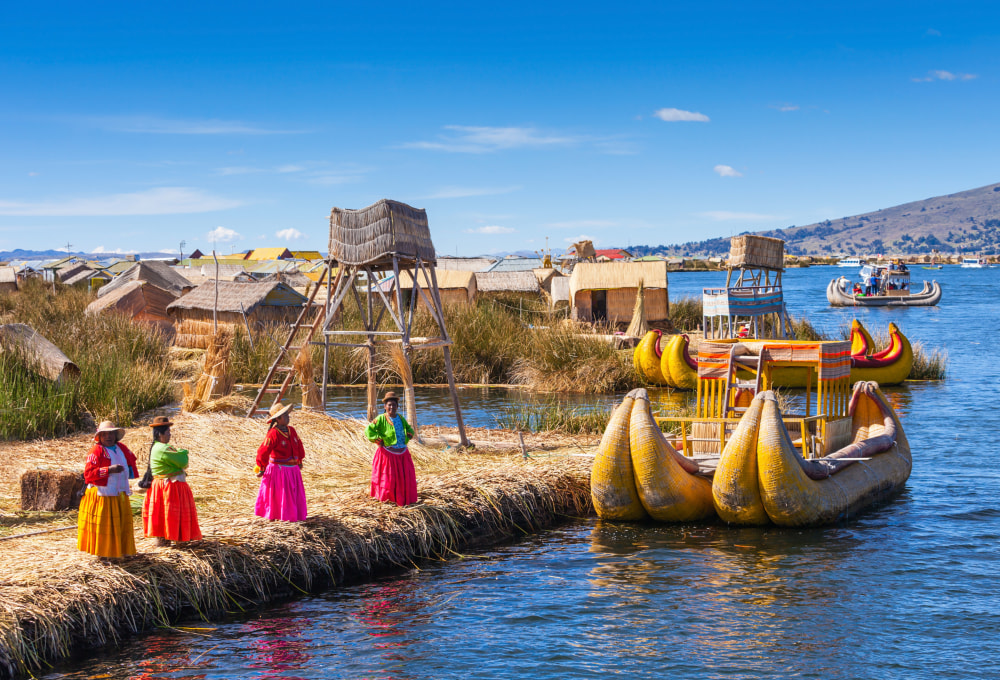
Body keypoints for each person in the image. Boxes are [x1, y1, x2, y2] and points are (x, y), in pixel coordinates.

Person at [78, 421, 139, 559]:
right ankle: (104, 554)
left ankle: (119, 551)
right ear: (99, 437)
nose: (108, 437)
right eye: (104, 434)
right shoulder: (96, 451)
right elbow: (88, 474)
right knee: (105, 526)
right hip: (102, 494)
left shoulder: (121, 448)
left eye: (111, 434)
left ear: (116, 435)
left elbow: (131, 461)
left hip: (119, 492)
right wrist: (108, 470)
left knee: (119, 524)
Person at [142, 415, 202, 546]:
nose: (170, 434)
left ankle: (169, 540)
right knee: (170, 515)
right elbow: (183, 461)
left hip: (167, 485)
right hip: (168, 487)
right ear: (160, 433)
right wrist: (182, 452)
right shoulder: (163, 449)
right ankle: (171, 540)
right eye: (168, 432)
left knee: (167, 515)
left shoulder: (160, 447)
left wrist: (178, 453)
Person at [254, 402, 307, 521]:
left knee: (293, 494)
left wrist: (299, 460)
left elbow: (298, 445)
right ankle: (279, 515)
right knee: (282, 495)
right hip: (279, 471)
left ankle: (294, 515)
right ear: (278, 419)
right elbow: (263, 451)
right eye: (285, 416)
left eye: (288, 415)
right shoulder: (273, 433)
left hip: (293, 470)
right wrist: (261, 468)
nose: (288, 417)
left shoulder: (291, 430)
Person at [365, 392, 417, 506]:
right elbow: (369, 430)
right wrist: (378, 440)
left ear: (397, 406)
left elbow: (409, 428)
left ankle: (402, 497)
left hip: (402, 452)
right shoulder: (381, 419)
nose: (391, 407)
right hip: (388, 454)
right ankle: (388, 498)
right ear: (385, 406)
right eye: (389, 405)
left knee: (403, 477)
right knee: (389, 478)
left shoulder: (401, 418)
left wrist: (409, 435)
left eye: (394, 404)